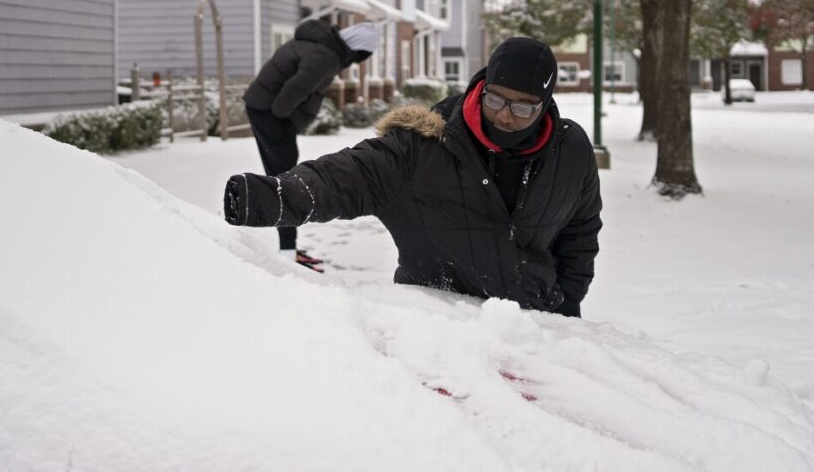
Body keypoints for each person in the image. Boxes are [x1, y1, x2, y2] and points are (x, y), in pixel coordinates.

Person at [224, 37, 602, 318]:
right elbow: (348, 177)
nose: (505, 116)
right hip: (437, 331)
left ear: (545, 102)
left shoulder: (570, 152)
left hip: (537, 335)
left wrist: (566, 303)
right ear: (482, 87)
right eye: (496, 100)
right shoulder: (424, 145)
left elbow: (580, 233)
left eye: (522, 108)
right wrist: (271, 196)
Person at [242, 20, 379, 272]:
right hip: (270, 115)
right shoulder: (326, 55)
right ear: (356, 50)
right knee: (284, 180)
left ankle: (289, 249)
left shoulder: (321, 46)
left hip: (264, 110)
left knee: (282, 176)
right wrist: (286, 119)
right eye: (361, 57)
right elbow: (296, 88)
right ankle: (288, 252)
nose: (356, 63)